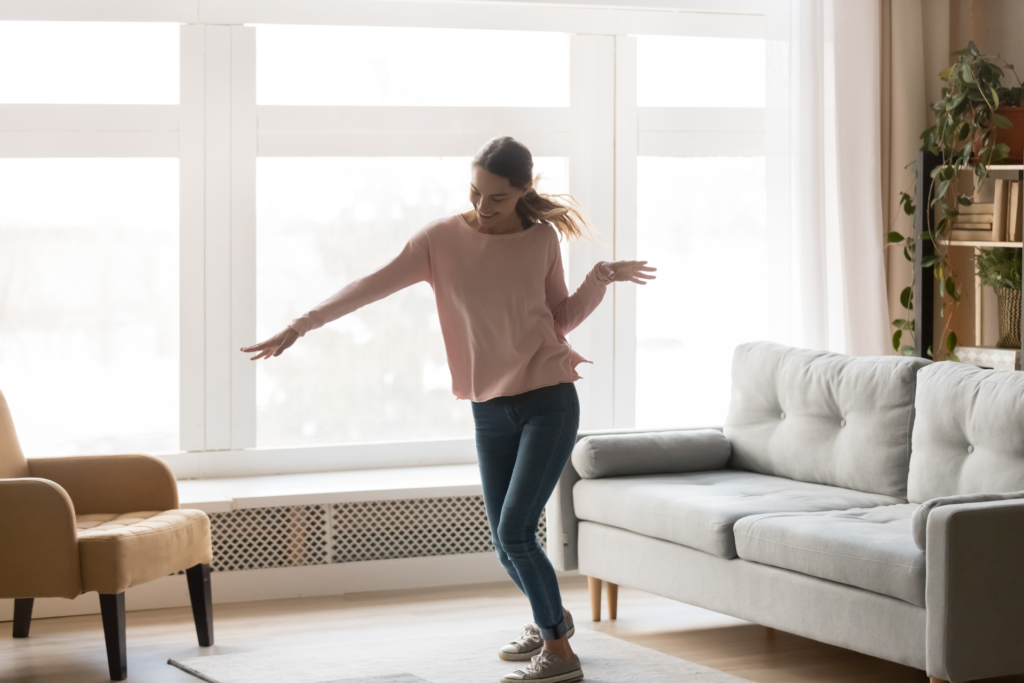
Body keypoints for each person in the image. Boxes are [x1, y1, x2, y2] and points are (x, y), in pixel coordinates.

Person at [241, 135, 656, 683]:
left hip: (549, 400)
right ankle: (549, 619)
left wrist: (598, 278)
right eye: (476, 193)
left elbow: (557, 319)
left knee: (514, 535)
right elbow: (368, 287)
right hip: (488, 406)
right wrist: (301, 324)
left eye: (497, 199)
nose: (483, 208)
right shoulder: (440, 240)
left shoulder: (542, 240)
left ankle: (560, 655)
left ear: (523, 191)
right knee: (506, 544)